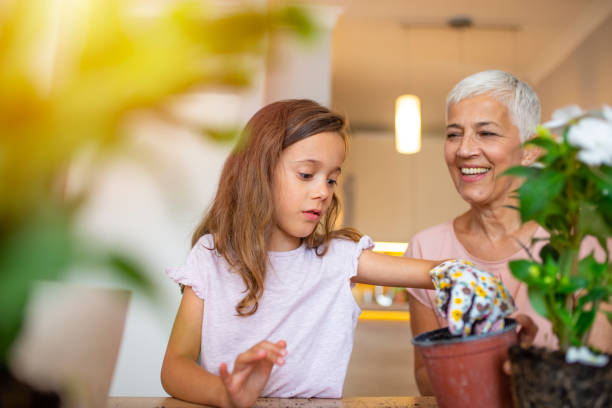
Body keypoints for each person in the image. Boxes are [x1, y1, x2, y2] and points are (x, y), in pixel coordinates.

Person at [160, 99, 512, 408]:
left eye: (330, 179)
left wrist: (464, 275)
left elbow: (435, 272)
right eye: (307, 174)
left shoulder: (339, 258)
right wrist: (227, 394)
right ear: (258, 172)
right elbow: (175, 366)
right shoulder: (212, 256)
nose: (323, 192)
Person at [405, 70, 612, 395]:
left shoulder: (580, 241)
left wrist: (523, 360)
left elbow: (597, 373)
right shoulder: (425, 247)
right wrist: (490, 349)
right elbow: (425, 378)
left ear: (530, 150)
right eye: (453, 134)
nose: (463, 150)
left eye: (486, 133)